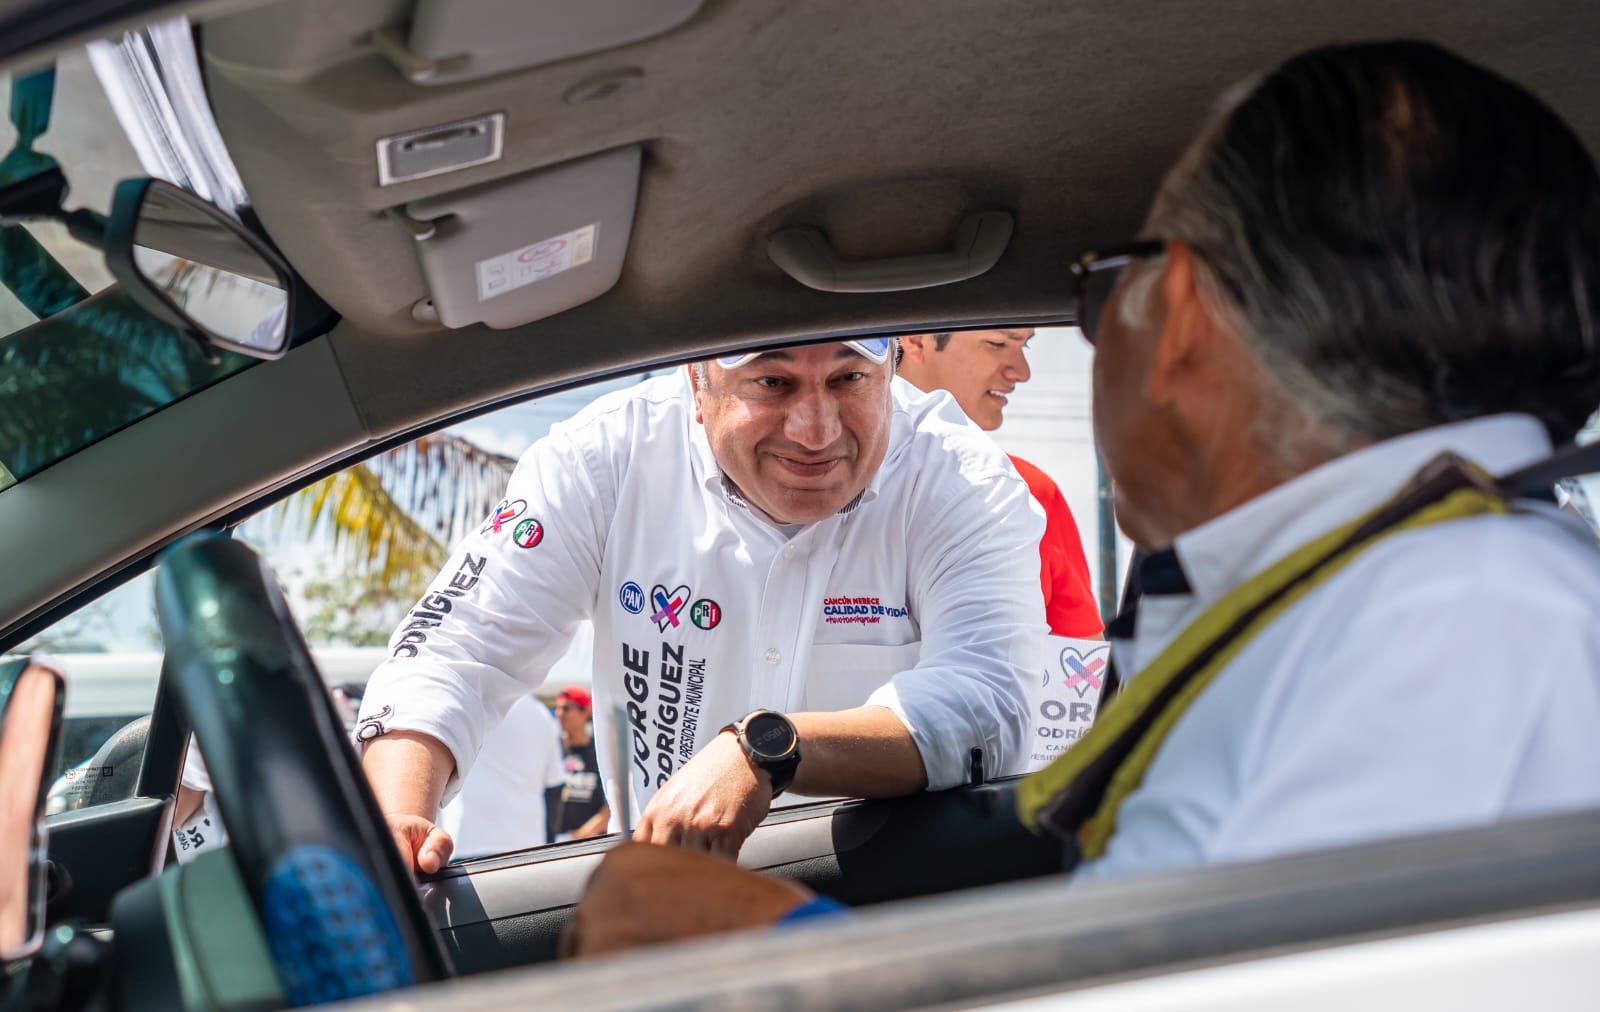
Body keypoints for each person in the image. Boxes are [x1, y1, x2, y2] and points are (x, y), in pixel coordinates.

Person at [564, 38, 1600, 953]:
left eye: (1108, 286)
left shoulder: (1460, 624)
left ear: (1179, 309)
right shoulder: (1427, 600)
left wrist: (759, 945)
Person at [360, 338, 1047, 871]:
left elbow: (992, 702)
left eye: (848, 380)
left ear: (892, 371)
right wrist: (398, 822)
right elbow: (458, 650)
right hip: (668, 909)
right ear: (696, 382)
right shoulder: (604, 457)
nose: (816, 429)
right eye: (773, 383)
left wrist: (767, 751)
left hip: (885, 905)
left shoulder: (961, 477)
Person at [897, 330, 1102, 636]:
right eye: (997, 344)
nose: (1022, 371)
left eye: (1025, 345)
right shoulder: (826, 496)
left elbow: (1083, 671)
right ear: (915, 340)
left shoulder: (1032, 495)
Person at [435, 693, 567, 858]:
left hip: (465, 841)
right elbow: (554, 786)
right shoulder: (541, 714)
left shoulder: (461, 703)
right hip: (529, 848)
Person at [552, 685, 609, 840]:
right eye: (557, 708)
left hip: (588, 846)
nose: (559, 714)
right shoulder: (552, 750)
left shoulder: (599, 752)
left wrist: (578, 837)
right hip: (550, 846)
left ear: (585, 712)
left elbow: (610, 806)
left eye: (566, 708)